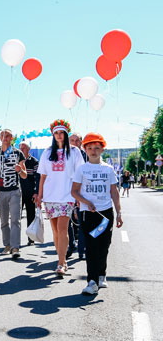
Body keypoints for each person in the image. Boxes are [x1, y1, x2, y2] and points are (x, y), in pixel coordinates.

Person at [71, 132, 123, 295]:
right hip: (89, 213)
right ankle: (92, 281)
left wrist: (119, 212)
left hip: (105, 214)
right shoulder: (81, 169)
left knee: (104, 246)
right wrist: (86, 202)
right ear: (85, 149)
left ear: (102, 150)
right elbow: (74, 192)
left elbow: (114, 192)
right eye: (90, 148)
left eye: (97, 148)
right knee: (92, 247)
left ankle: (102, 274)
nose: (93, 151)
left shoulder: (108, 170)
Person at [36, 120, 85, 276]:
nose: (59, 135)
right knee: (56, 231)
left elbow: (80, 174)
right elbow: (43, 177)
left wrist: (79, 195)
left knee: (63, 229)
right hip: (50, 196)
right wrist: (40, 196)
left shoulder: (75, 152)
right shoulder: (47, 152)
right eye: (56, 133)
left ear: (66, 134)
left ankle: (62, 263)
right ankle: (61, 258)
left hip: (67, 195)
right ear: (53, 134)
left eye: (61, 132)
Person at [0, 129, 27, 259]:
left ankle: (16, 247)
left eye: (8, 135)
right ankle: (7, 245)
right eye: (3, 135)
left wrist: (20, 169)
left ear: (12, 138)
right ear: (0, 138)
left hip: (15, 191)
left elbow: (25, 175)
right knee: (4, 220)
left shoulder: (18, 153)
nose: (5, 137)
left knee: (15, 219)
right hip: (0, 191)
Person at [69, 132, 87, 259]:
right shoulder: (64, 155)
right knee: (67, 221)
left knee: (82, 222)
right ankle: (70, 245)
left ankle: (81, 249)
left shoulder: (87, 156)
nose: (75, 142)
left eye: (77, 140)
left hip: (82, 193)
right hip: (67, 193)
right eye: (72, 140)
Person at [19, 141, 40, 246]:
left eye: (24, 148)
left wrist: (36, 192)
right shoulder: (17, 161)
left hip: (30, 192)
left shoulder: (34, 161)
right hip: (18, 193)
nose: (21, 150)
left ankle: (31, 238)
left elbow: (37, 177)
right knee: (16, 217)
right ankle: (15, 240)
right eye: (20, 148)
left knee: (30, 216)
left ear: (28, 149)